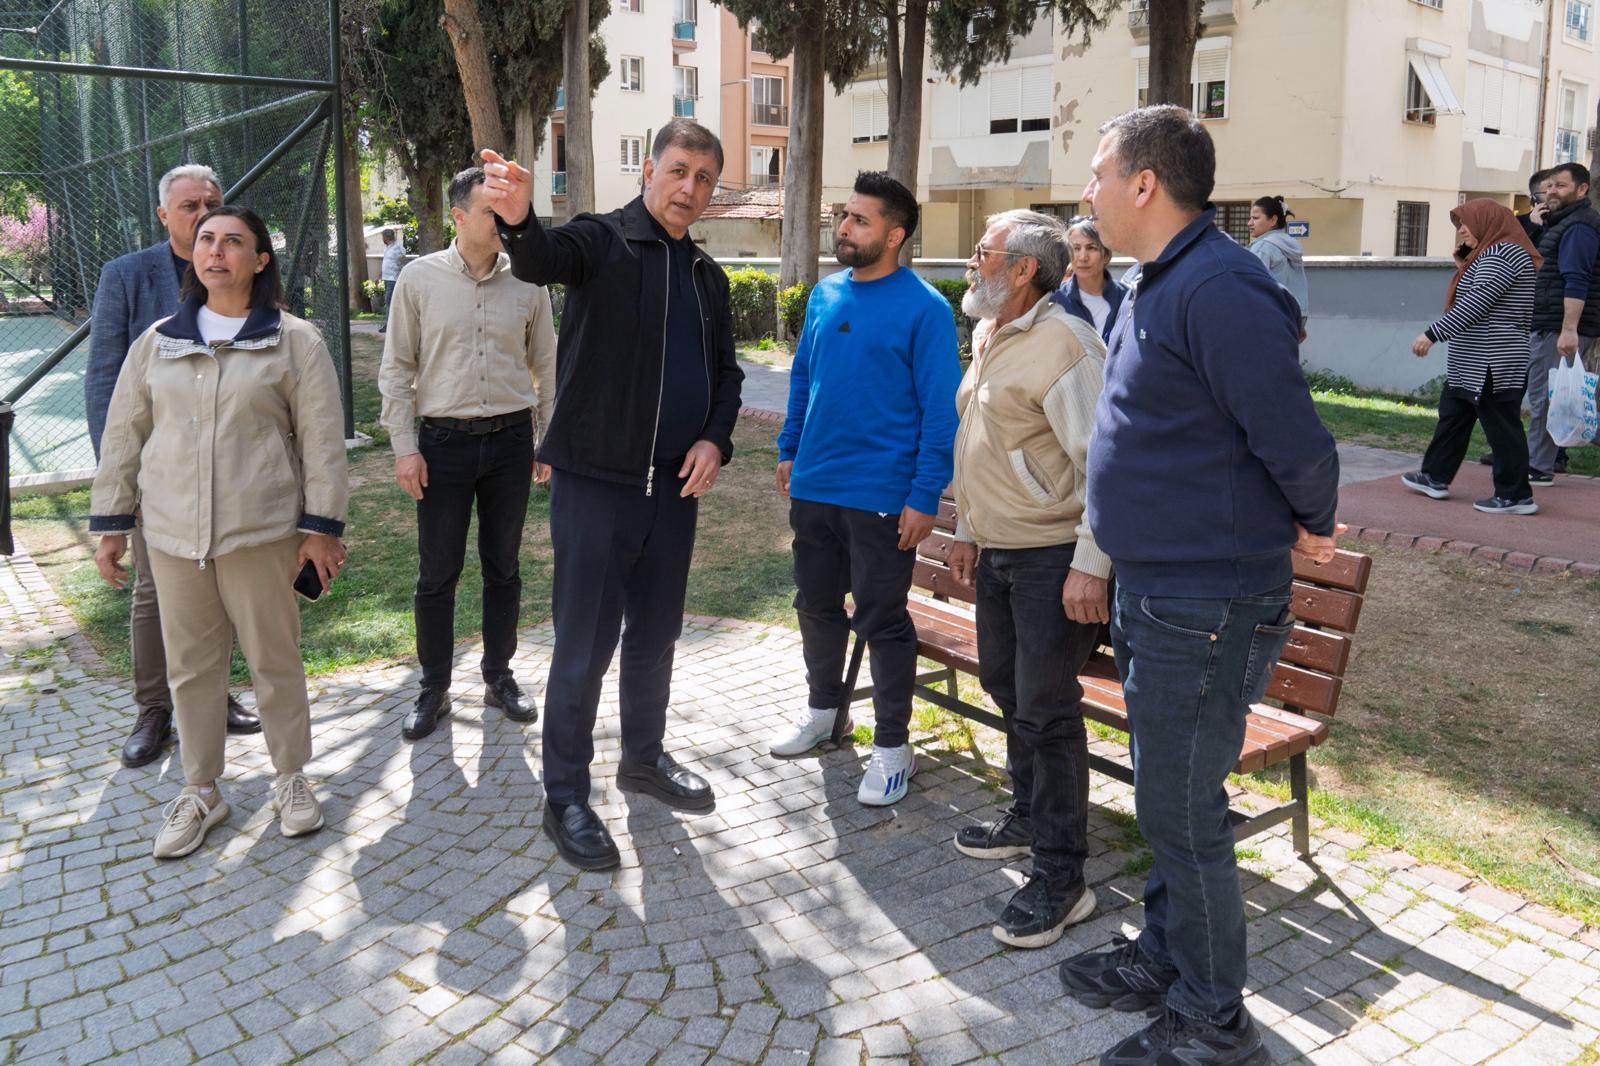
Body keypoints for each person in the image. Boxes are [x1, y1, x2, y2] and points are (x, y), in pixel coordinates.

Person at [1058, 105, 1340, 1066]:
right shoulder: (1162, 279)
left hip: (1206, 600)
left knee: (1181, 809)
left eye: (1099, 172)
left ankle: (1215, 1020)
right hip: (1160, 587)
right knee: (1167, 796)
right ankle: (1169, 956)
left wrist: (1312, 515)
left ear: (1143, 184)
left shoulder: (1221, 287)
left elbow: (1295, 438)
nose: (1087, 190)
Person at [479, 120, 744, 872]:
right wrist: (519, 217)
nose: (689, 188)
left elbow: (727, 377)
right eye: (679, 170)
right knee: (585, 647)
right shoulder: (602, 240)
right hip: (597, 485)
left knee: (656, 637)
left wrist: (714, 441)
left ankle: (643, 759)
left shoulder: (707, 277)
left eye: (704, 178)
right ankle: (564, 794)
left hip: (675, 492)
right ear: (649, 172)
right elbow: (540, 258)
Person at [88, 206, 349, 859]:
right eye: (206, 240)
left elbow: (322, 444)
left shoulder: (295, 342)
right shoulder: (158, 341)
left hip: (262, 535)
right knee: (191, 669)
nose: (216, 250)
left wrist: (320, 530)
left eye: (233, 242)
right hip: (173, 538)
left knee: (274, 660)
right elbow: (124, 436)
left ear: (260, 260)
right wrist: (112, 524)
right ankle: (201, 790)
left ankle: (291, 778)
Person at [766, 172, 960, 806]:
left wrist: (924, 496)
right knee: (815, 606)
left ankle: (893, 747)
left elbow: (941, 411)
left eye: (859, 220)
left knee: (882, 620)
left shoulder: (926, 309)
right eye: (843, 216)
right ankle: (827, 714)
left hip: (881, 496)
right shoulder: (825, 294)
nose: (844, 228)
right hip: (816, 484)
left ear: (894, 235)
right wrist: (789, 448)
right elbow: (804, 377)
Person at [944, 209, 1109, 949]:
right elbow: (982, 441)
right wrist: (967, 530)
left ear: (1022, 270)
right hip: (999, 552)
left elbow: (1103, 466)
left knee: (1045, 710)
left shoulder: (1067, 344)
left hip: (1052, 559)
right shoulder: (992, 333)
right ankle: (1029, 815)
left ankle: (1063, 877)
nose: (971, 261)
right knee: (1007, 688)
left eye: (983, 251)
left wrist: (1091, 563)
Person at [83, 163, 260, 768]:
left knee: (224, 584)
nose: (204, 213)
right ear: (164, 215)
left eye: (212, 202)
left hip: (231, 470)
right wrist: (118, 481)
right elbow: (105, 382)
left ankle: (213, 697)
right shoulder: (127, 276)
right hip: (159, 475)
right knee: (155, 591)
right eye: (190, 206)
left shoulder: (240, 271)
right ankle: (155, 708)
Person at [378, 166, 558, 741]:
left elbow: (547, 367)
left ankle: (499, 676)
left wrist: (546, 440)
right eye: (490, 211)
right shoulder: (418, 280)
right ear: (458, 217)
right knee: (438, 573)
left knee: (504, 567)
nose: (503, 221)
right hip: (443, 446)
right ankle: (433, 686)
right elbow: (396, 369)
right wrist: (405, 449)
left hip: (510, 444)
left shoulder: (530, 283)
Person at [1402, 200, 1540, 514]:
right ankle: (1434, 476)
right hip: (1473, 360)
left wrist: (1433, 333)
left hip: (1493, 359)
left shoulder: (1503, 253)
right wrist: (1464, 263)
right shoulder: (1490, 253)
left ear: (1487, 221)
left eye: (1466, 223)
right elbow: (1478, 293)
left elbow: (1478, 301)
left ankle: (1516, 496)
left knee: (1502, 426)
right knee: (1454, 416)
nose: (1461, 230)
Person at [1524, 162, 1600, 485]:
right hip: (1554, 325)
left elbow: (1576, 279)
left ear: (1582, 189)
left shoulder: (1579, 226)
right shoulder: (1562, 223)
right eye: (1550, 185)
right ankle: (1538, 463)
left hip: (1560, 328)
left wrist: (1569, 330)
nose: (1552, 191)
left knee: (1548, 399)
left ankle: (1537, 467)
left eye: (1561, 186)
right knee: (1566, 399)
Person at [1049, 217, 1127, 341]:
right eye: (1076, 248)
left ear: (1106, 255)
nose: (1083, 257)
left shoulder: (1126, 297)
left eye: (1091, 248)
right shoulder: (1055, 299)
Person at [1247, 195, 1310, 338]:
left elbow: (1252, 287)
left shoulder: (1263, 247)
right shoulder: (1289, 245)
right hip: (1296, 315)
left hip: (1271, 316)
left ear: (1273, 220)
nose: (1249, 223)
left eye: (1255, 218)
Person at [378, 228, 405, 334]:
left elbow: (402, 260)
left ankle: (390, 326)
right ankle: (391, 325)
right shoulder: (387, 247)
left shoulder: (398, 247)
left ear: (386, 237)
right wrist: (380, 275)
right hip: (387, 278)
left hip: (393, 279)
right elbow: (386, 262)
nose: (382, 239)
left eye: (383, 237)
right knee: (389, 303)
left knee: (390, 303)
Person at [1517, 169, 1552, 244]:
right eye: (1549, 193)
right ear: (1535, 198)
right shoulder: (1517, 223)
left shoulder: (1569, 221)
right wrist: (1536, 226)